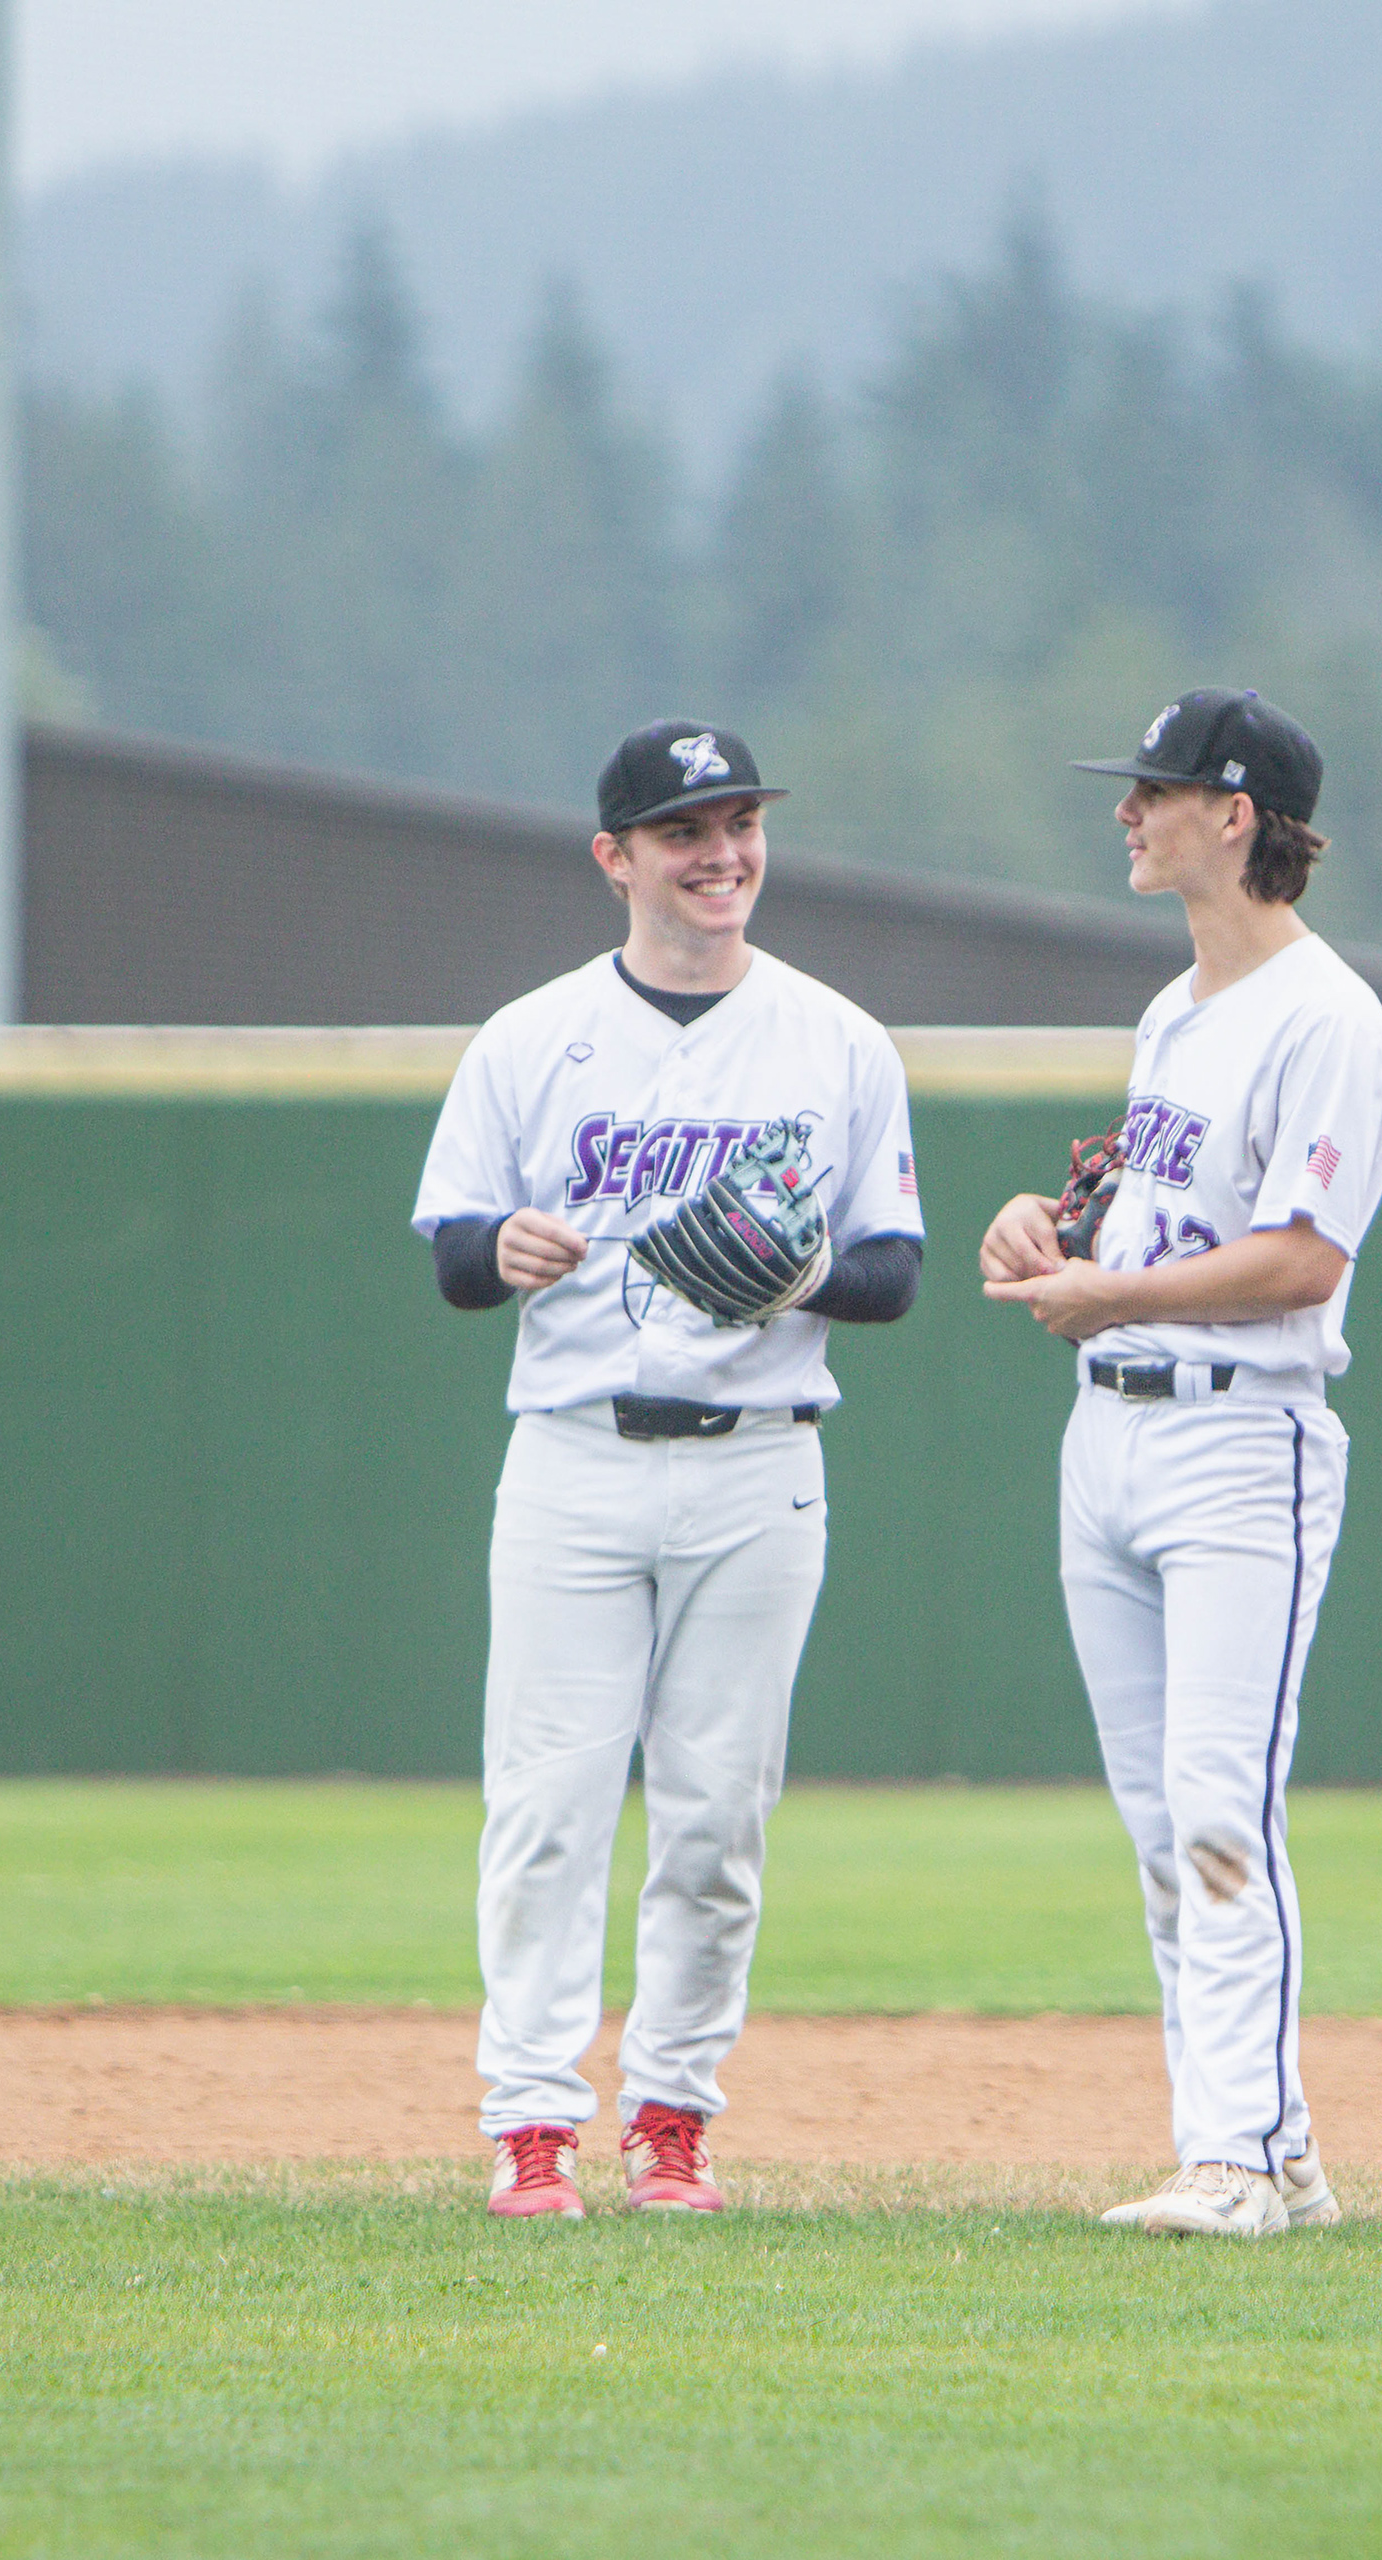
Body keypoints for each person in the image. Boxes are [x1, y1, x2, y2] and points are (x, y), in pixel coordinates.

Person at [411, 719, 924, 2220]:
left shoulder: (837, 1039)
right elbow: (452, 1254)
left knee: (716, 1821)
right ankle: (531, 2123)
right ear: (615, 857)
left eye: (740, 824)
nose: (722, 855)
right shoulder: (531, 1039)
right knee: (547, 1811)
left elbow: (893, 1273)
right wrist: (499, 1250)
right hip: (575, 1457)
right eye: (686, 831)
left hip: (759, 1466)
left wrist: (799, 1274)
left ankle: (673, 2117)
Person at [978, 689, 1382, 2240]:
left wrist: (1119, 1295)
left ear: (1236, 817)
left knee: (1223, 1808)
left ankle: (1230, 2160)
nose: (1126, 812)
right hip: (1110, 1428)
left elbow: (1302, 1260)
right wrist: (1048, 1230)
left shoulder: (1330, 1018)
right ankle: (1267, 2147)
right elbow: (1146, 1212)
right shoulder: (1178, 1011)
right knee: (1164, 1830)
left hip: (1239, 1433)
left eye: (1154, 791)